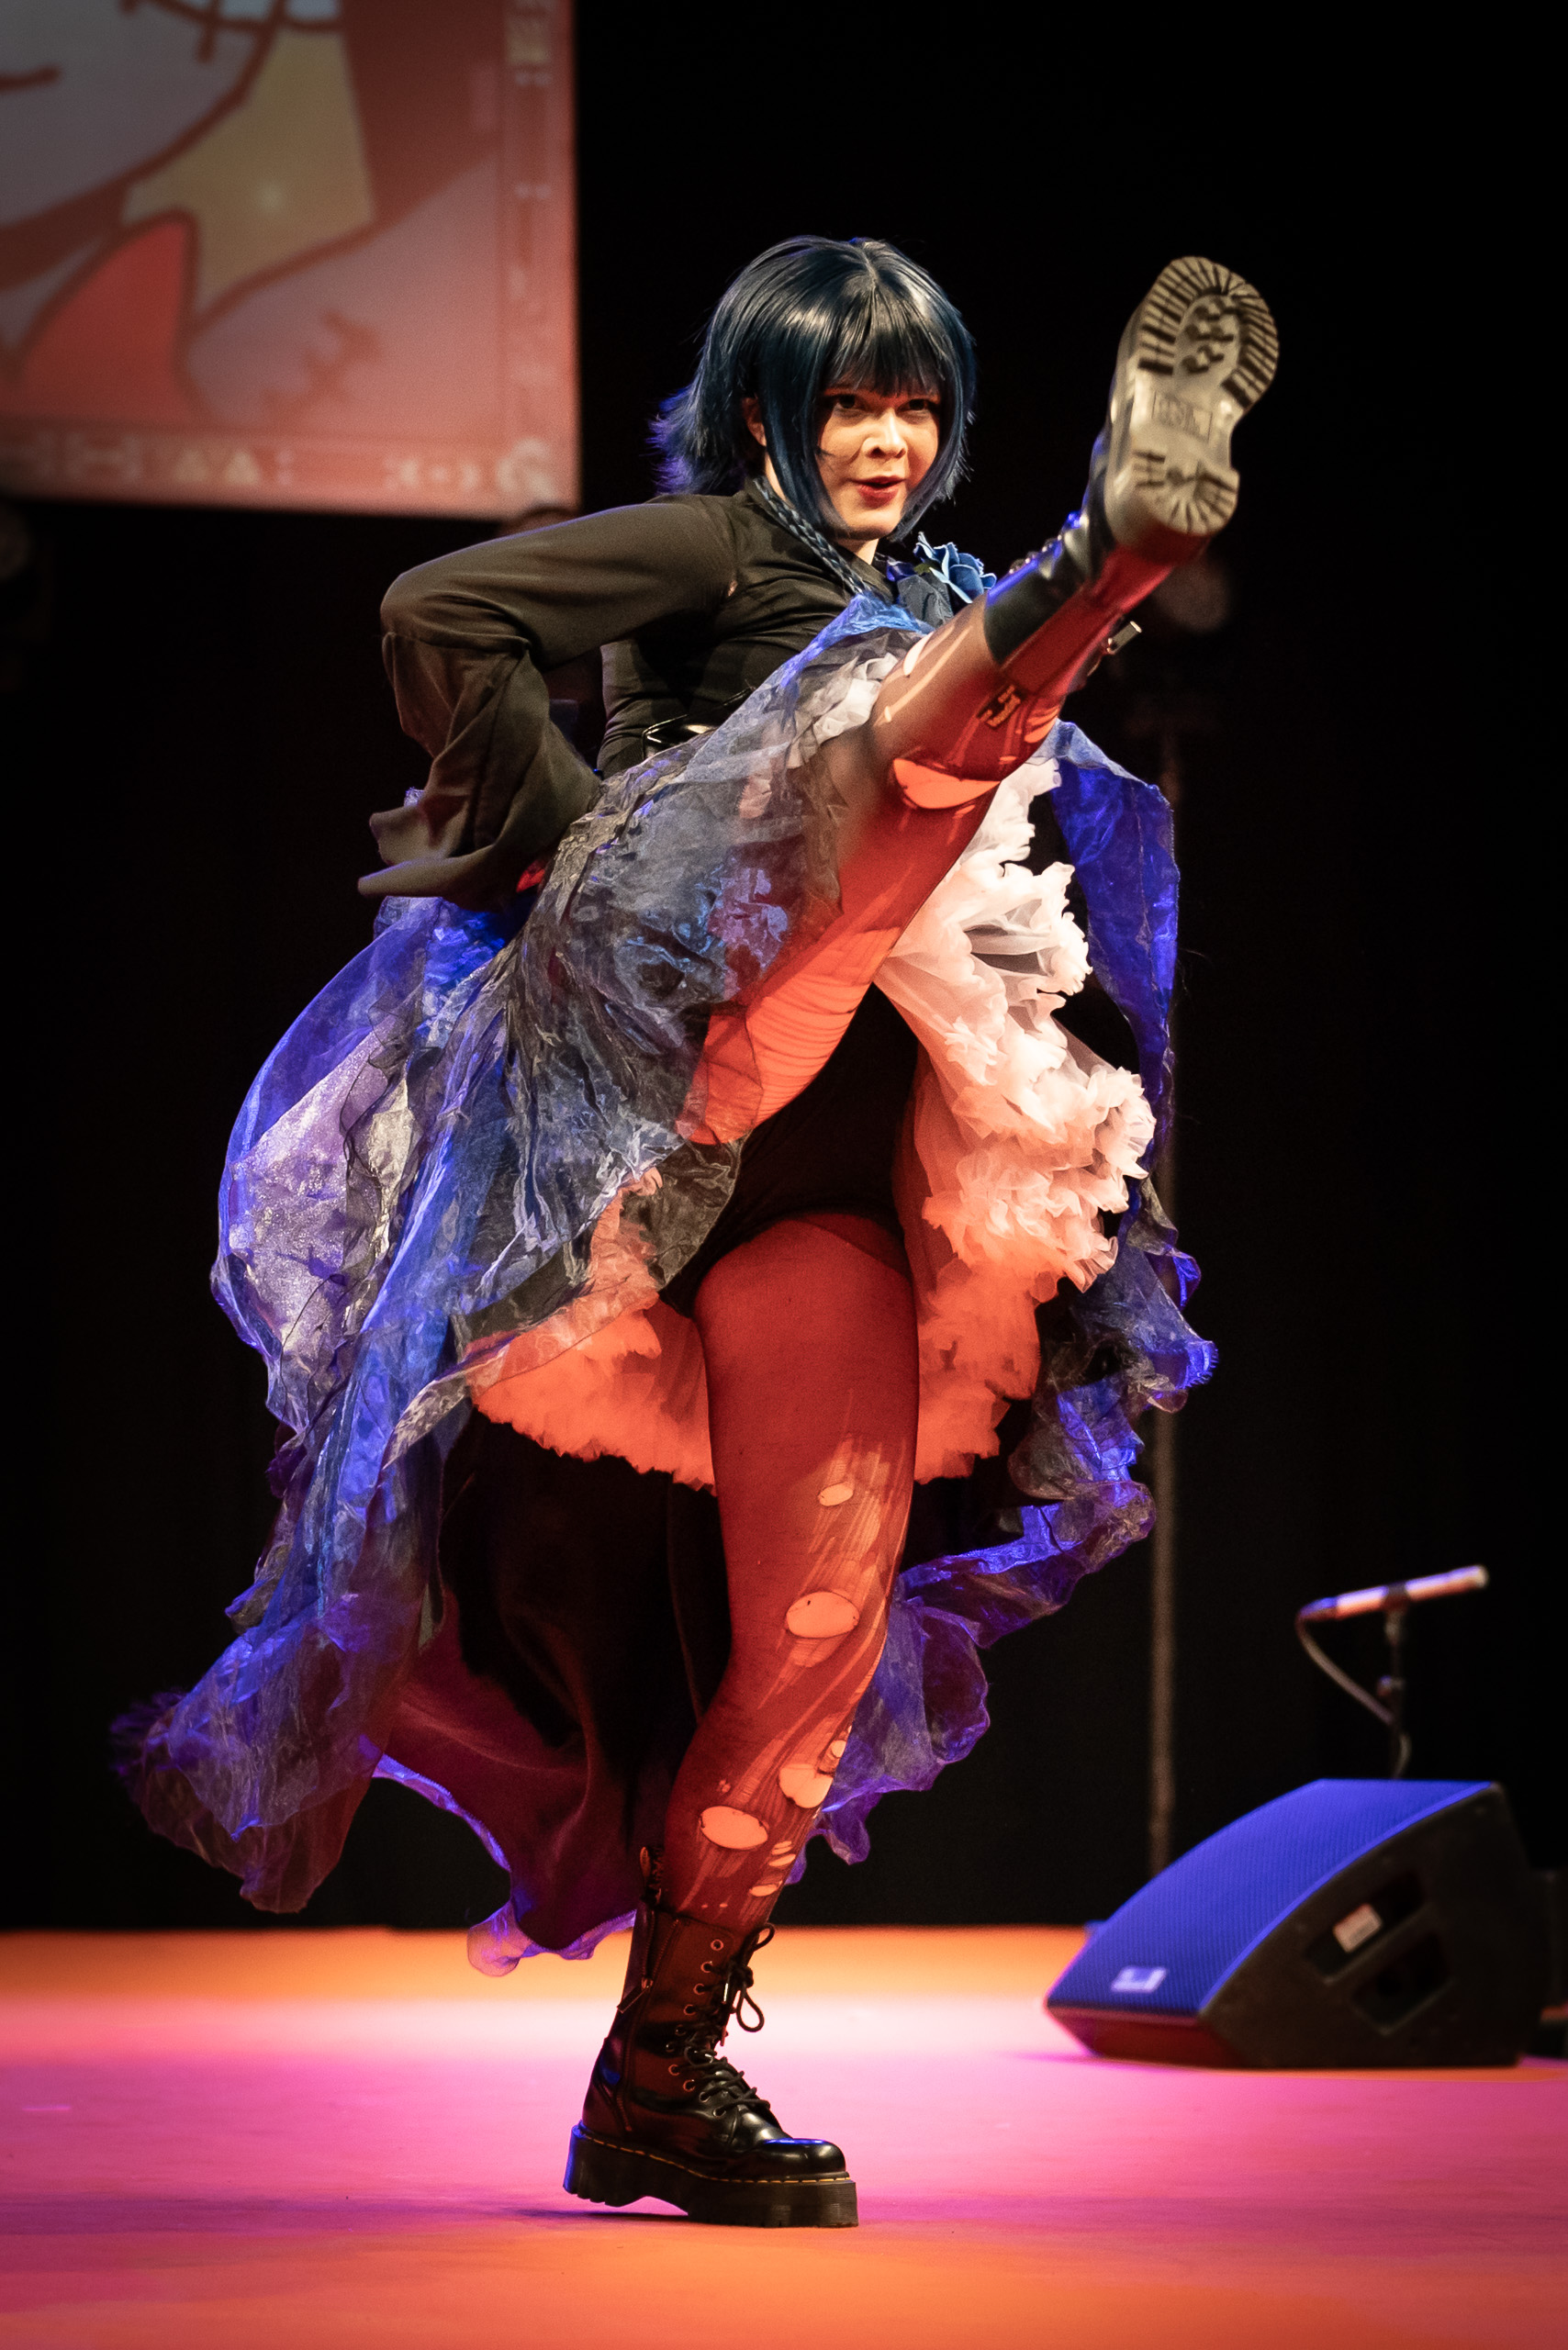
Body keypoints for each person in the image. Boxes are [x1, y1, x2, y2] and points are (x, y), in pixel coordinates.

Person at [121, 239, 1275, 2228]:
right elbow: (435, 609)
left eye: (914, 403)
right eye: (848, 402)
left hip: (822, 1178)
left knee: (818, 1637)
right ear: (762, 410)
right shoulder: (719, 548)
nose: (885, 437)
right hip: (681, 1059)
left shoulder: (925, 585)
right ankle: (1107, 549)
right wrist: (562, 844)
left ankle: (658, 2074)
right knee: (859, 783)